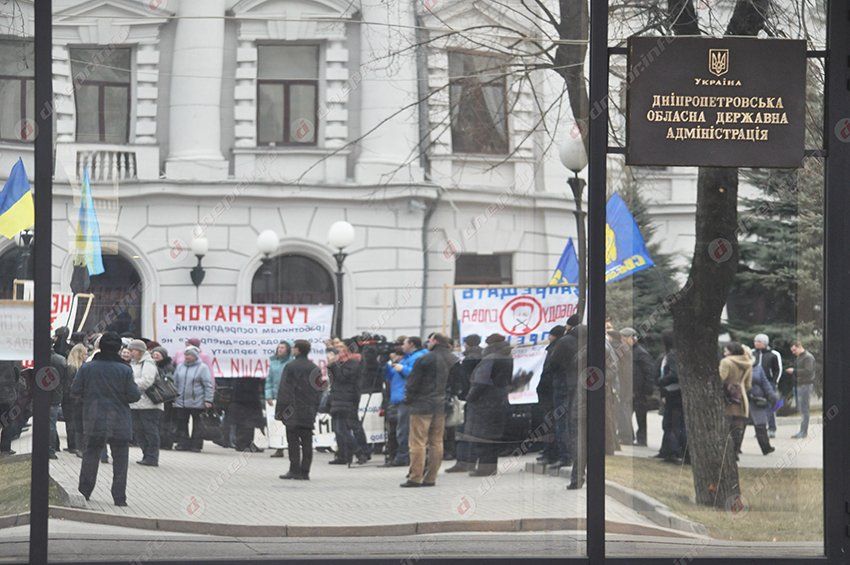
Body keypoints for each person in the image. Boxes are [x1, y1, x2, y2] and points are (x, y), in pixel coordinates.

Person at [72, 332, 141, 506]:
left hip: (94, 418)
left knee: (91, 455)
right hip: (119, 420)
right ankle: (119, 498)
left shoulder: (88, 368)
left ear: (100, 346)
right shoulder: (125, 369)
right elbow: (134, 395)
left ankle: (84, 492)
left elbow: (75, 389)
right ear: (119, 349)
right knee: (120, 460)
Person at [400, 333, 456, 487]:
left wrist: (408, 399)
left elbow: (413, 382)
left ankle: (415, 477)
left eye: (430, 340)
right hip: (441, 404)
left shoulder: (425, 359)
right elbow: (456, 383)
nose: (428, 343)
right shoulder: (453, 359)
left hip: (421, 404)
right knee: (436, 442)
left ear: (435, 341)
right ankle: (431, 477)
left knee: (417, 442)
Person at [464, 333, 513, 477]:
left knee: (482, 437)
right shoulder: (508, 357)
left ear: (490, 345)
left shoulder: (489, 359)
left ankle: (484, 468)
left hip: (485, 403)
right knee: (493, 437)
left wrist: (470, 397)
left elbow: (481, 382)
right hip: (500, 399)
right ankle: (491, 467)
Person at [548, 314, 586, 489]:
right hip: (593, 396)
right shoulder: (597, 342)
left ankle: (576, 475)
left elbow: (552, 364)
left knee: (574, 433)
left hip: (571, 392)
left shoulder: (565, 342)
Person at [276, 340, 322, 480]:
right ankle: (305, 471)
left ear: (298, 350)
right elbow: (319, 390)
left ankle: (294, 469)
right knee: (307, 441)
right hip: (308, 410)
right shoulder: (314, 368)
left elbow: (284, 390)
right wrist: (314, 408)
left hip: (292, 410)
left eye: (295, 347)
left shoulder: (290, 367)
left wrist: (280, 412)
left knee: (293, 441)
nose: (293, 350)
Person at [445, 334, 484, 473]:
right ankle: (471, 461)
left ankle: (463, 462)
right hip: (479, 400)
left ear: (467, 344)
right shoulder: (484, 356)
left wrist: (461, 394)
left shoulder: (468, 360)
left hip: (467, 399)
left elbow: (463, 381)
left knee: (462, 431)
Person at [387, 337, 428, 467]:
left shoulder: (418, 357)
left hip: (407, 398)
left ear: (411, 344)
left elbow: (416, 374)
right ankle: (402, 455)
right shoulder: (406, 358)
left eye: (404, 344)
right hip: (399, 397)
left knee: (404, 430)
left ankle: (404, 456)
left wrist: (402, 369)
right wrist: (385, 366)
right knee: (400, 429)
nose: (401, 347)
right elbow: (391, 376)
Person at [327, 346, 369, 465]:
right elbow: (333, 379)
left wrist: (333, 365)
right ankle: (342, 455)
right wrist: (331, 366)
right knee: (337, 429)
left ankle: (360, 452)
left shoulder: (353, 364)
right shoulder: (339, 365)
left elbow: (342, 378)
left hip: (347, 400)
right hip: (337, 399)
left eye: (340, 352)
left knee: (343, 430)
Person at [127, 340, 163, 466]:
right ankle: (146, 454)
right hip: (136, 403)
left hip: (149, 404)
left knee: (150, 430)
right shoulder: (133, 363)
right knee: (138, 430)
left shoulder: (148, 363)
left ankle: (152, 457)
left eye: (133, 350)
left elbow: (147, 381)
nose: (130, 353)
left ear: (140, 351)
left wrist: (130, 384)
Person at [172, 346, 214, 452]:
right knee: (182, 423)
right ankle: (183, 444)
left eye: (189, 355)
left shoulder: (203, 368)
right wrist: (174, 396)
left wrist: (208, 400)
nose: (187, 357)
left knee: (198, 424)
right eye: (186, 355)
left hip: (197, 401)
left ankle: (196, 445)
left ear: (195, 356)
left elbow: (208, 385)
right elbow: (175, 382)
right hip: (181, 401)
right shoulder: (180, 366)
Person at [534, 326, 564, 466]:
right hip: (550, 391)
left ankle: (551, 453)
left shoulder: (556, 349)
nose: (548, 338)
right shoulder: (554, 348)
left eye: (550, 335)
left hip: (550, 391)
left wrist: (542, 387)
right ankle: (549, 452)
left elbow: (550, 371)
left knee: (550, 423)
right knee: (549, 423)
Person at [620, 328, 655, 447]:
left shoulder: (641, 353)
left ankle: (642, 439)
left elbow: (648, 372)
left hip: (639, 391)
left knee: (640, 416)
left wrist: (647, 390)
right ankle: (628, 437)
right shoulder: (627, 352)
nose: (622, 341)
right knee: (625, 415)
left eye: (624, 339)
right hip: (629, 390)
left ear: (632, 338)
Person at [656, 331, 687, 463]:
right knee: (669, 423)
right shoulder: (670, 355)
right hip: (671, 393)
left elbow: (675, 374)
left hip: (674, 394)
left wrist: (662, 381)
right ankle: (667, 450)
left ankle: (674, 451)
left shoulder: (673, 355)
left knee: (674, 423)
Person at [720, 341, 752, 459]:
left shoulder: (726, 362)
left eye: (726, 350)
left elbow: (721, 378)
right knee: (737, 426)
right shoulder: (747, 363)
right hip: (741, 397)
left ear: (731, 352)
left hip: (727, 396)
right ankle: (735, 451)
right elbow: (748, 384)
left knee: (726, 425)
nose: (724, 353)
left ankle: (726, 452)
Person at [265, 341, 292, 458]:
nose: (280, 349)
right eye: (279, 347)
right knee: (276, 423)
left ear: (288, 350)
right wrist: (268, 395)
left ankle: (290, 446)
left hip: (288, 397)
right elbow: (269, 380)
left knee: (289, 423)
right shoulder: (273, 363)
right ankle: (278, 447)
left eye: (282, 347)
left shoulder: (291, 362)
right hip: (276, 397)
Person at [752, 334, 782, 438]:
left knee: (770, 407)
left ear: (764, 343)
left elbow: (778, 369)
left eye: (758, 341)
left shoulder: (773, 354)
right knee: (758, 407)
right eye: (755, 341)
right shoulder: (752, 353)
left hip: (769, 383)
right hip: (756, 385)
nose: (756, 343)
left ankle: (772, 428)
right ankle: (761, 431)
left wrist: (774, 382)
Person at [225, 376, 265, 452]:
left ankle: (248, 443)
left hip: (251, 395)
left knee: (250, 422)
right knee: (243, 421)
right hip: (241, 396)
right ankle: (241, 444)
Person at [381, 347, 406, 466]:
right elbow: (388, 376)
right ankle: (393, 455)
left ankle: (401, 456)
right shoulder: (395, 367)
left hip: (402, 399)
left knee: (401, 430)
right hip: (393, 399)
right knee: (392, 430)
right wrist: (385, 365)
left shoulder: (404, 365)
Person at [787, 341, 816, 439]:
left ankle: (803, 432)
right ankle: (801, 431)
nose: (793, 352)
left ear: (799, 347)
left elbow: (808, 371)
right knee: (801, 408)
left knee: (804, 409)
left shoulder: (808, 357)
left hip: (806, 385)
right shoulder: (799, 357)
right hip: (799, 385)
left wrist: (794, 371)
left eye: (794, 350)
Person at [749, 357, 778, 455]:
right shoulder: (736, 365)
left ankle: (766, 447)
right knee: (739, 425)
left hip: (757, 400)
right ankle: (735, 449)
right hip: (741, 399)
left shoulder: (757, 367)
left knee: (760, 424)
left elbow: (765, 383)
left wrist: (772, 397)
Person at [64, 343, 88, 455]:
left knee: (71, 422)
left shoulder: (71, 366)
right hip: (75, 399)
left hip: (70, 399)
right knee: (75, 423)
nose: (86, 356)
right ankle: (75, 446)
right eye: (85, 354)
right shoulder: (75, 368)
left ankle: (72, 445)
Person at [150, 347, 176, 450]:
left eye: (158, 354)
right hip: (155, 396)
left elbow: (169, 381)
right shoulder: (151, 365)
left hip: (165, 397)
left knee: (165, 421)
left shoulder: (168, 367)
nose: (155, 356)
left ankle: (166, 442)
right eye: (154, 354)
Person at [48, 350, 68, 459]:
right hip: (56, 395)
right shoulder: (60, 360)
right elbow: (65, 378)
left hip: (42, 394)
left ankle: (51, 447)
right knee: (51, 423)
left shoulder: (39, 357)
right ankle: (52, 448)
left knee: (47, 423)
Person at [0, 361, 21, 456]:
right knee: (7, 424)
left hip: (6, 397)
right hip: (7, 398)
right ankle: (5, 449)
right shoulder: (11, 365)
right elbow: (17, 377)